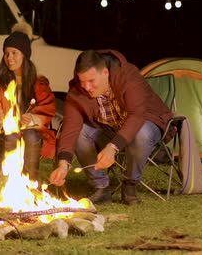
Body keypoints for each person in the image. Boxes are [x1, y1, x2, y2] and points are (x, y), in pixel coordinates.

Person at [49, 49, 172, 205]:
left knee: (142, 133)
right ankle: (100, 187)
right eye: (82, 81)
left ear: (105, 73)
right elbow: (70, 127)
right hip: (109, 129)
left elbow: (137, 115)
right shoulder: (77, 91)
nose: (87, 87)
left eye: (91, 81)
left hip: (146, 124)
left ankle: (130, 185)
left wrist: (112, 147)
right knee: (80, 132)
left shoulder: (127, 77)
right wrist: (63, 165)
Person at [0, 23, 56, 181]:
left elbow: (47, 109)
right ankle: (10, 185)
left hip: (30, 131)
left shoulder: (38, 82)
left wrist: (33, 119)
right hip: (3, 133)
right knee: (12, 137)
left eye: (14, 53)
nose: (9, 58)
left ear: (24, 55)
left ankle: (30, 184)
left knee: (30, 135)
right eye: (6, 54)